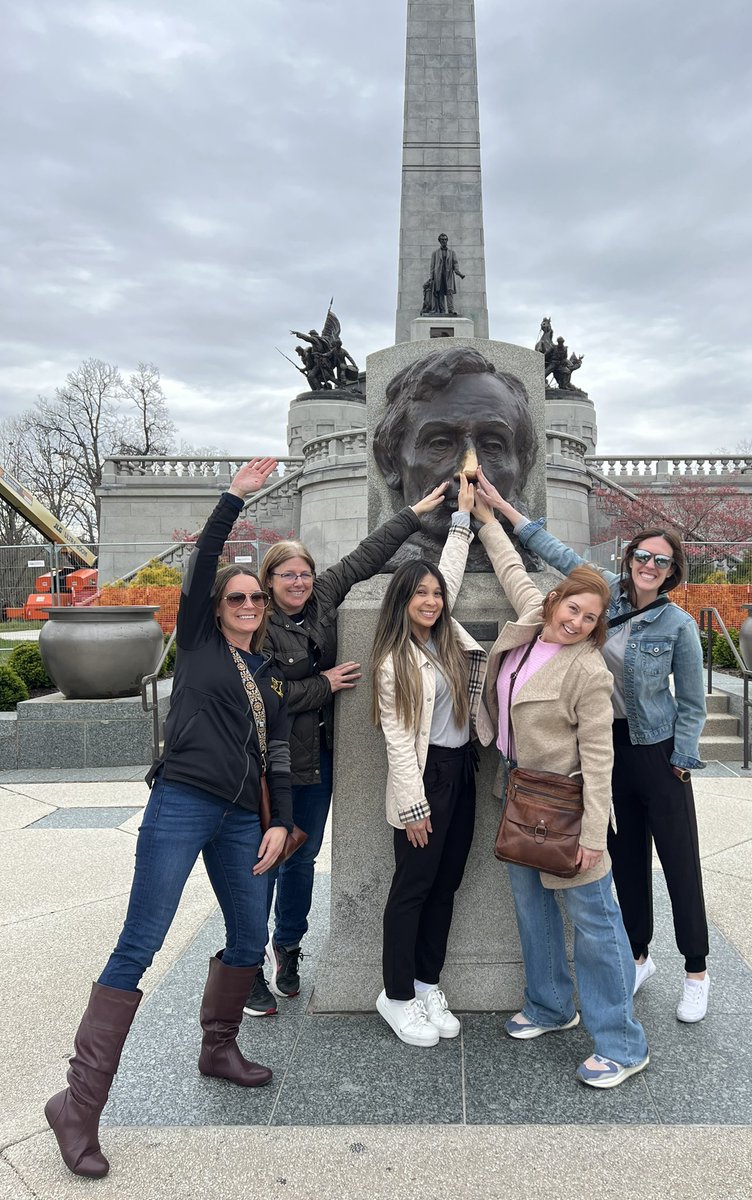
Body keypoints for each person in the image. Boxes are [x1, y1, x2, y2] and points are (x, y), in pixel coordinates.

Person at [45, 458, 293, 1178]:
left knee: (250, 937)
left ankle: (218, 1048)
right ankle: (78, 1105)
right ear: (217, 608)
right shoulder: (203, 643)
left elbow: (276, 747)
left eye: (256, 599)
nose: (248, 603)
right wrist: (233, 499)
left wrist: (276, 821)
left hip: (246, 820)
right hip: (183, 802)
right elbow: (204, 562)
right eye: (238, 597)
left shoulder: (267, 673)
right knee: (141, 942)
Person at [476, 472, 711, 1023]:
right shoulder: (601, 597)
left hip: (657, 753)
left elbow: (694, 701)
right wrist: (499, 505)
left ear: (674, 572)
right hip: (606, 750)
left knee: (679, 864)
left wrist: (681, 760)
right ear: (630, 558)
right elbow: (549, 547)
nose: (649, 566)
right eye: (643, 556)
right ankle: (639, 954)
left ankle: (696, 970)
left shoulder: (678, 625)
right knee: (624, 862)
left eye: (662, 562)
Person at [248, 481, 453, 1016]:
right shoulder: (257, 625)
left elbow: (368, 556)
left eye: (305, 573)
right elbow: (262, 693)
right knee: (265, 858)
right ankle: (246, 962)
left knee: (302, 856)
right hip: (273, 762)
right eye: (287, 575)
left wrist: (412, 514)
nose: (299, 582)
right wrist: (325, 685)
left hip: (317, 759)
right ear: (269, 583)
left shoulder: (323, 599)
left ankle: (287, 947)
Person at [471, 481, 649, 1088]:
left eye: (591, 618)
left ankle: (623, 1044)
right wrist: (483, 514)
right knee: (530, 907)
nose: (577, 621)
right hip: (519, 796)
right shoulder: (528, 625)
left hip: (570, 807)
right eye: (572, 609)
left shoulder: (590, 673)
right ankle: (551, 1005)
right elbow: (507, 563)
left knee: (597, 925)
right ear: (554, 603)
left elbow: (600, 762)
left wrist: (595, 836)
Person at [372, 475, 485, 1046]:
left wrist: (462, 518)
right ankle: (394, 997)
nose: (431, 600)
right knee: (412, 888)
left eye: (435, 594)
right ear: (402, 600)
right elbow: (395, 738)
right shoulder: (395, 659)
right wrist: (413, 805)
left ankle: (424, 984)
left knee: (447, 884)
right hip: (426, 779)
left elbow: (452, 572)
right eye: (419, 593)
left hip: (463, 768)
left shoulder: (446, 636)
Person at [372, 344, 538, 570]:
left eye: (492, 445)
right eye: (440, 444)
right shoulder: (373, 557)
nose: (469, 470)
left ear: (523, 466)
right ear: (390, 462)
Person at [423, 232, 465, 315]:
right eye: (442, 240)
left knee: (449, 292)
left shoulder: (452, 252)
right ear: (439, 241)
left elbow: (455, 263)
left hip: (448, 275)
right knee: (440, 292)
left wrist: (457, 271)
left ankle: (450, 310)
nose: (444, 241)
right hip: (438, 275)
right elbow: (432, 266)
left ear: (447, 240)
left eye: (445, 239)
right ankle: (442, 310)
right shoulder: (435, 253)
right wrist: (431, 278)